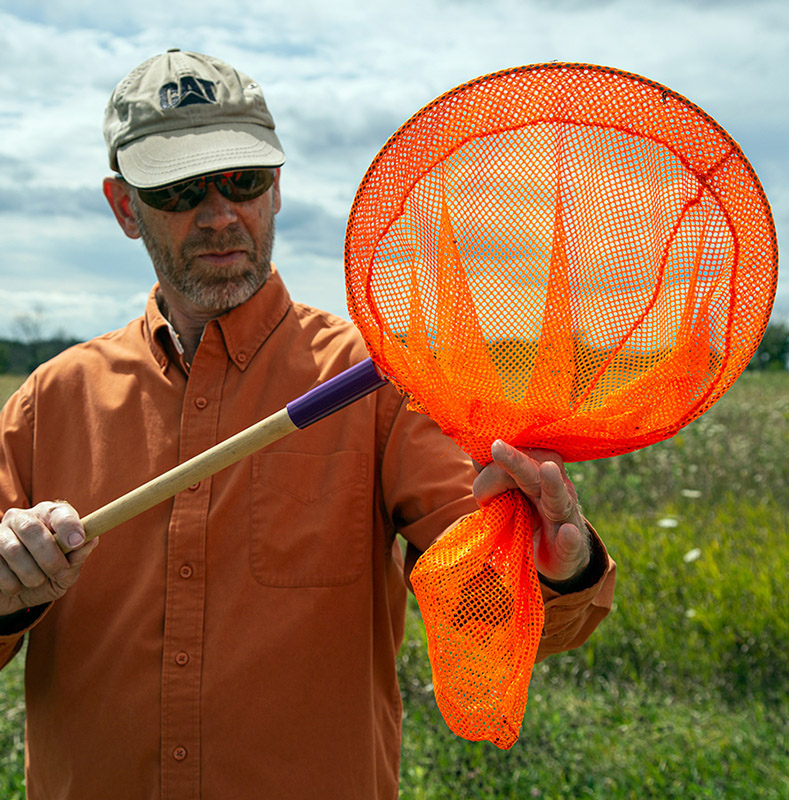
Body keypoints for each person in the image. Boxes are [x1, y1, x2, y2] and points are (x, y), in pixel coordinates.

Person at [0, 50, 615, 799]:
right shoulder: (47, 403)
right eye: (180, 189)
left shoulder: (384, 384)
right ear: (125, 208)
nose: (221, 212)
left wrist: (556, 570)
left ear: (277, 189)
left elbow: (502, 614)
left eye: (243, 181)